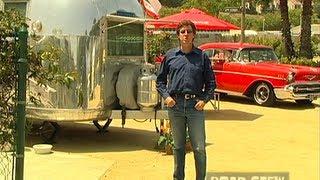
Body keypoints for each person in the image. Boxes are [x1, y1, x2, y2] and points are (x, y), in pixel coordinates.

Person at [156, 20, 216, 180]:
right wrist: (167, 97)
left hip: (195, 107)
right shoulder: (170, 56)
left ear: (194, 35)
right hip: (175, 106)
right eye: (182, 32)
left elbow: (211, 83)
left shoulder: (202, 57)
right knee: (178, 147)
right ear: (178, 35)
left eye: (189, 31)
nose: (186, 34)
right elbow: (160, 81)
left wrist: (204, 100)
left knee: (199, 148)